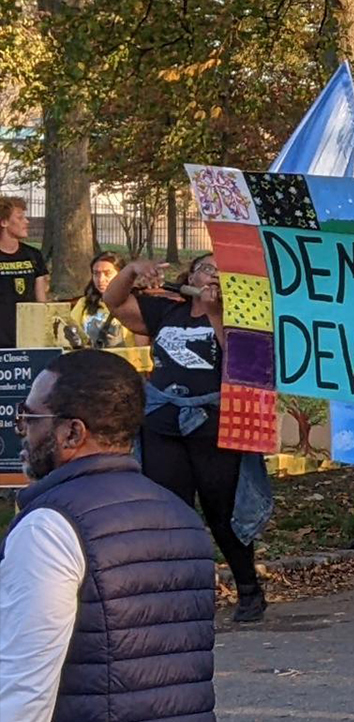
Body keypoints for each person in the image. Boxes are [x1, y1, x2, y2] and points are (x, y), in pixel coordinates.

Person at [0, 350, 218, 722]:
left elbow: (23, 687)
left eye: (29, 417)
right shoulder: (182, 519)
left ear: (71, 433)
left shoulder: (50, 528)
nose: (21, 431)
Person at [103, 254, 267, 623]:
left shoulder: (242, 317)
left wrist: (215, 313)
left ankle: (249, 589)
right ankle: (179, 593)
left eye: (222, 268)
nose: (214, 273)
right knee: (170, 512)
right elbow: (114, 303)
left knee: (222, 513)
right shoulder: (166, 310)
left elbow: (242, 365)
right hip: (163, 422)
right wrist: (130, 271)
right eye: (207, 267)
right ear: (191, 275)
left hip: (213, 425)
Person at [0, 195, 49, 348]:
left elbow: (41, 301)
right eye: (20, 218)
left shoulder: (34, 255)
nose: (26, 222)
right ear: (4, 222)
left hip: (28, 337)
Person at [60, 251, 132, 349]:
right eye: (96, 274)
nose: (101, 279)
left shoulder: (134, 305)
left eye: (107, 273)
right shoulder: (83, 303)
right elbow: (70, 334)